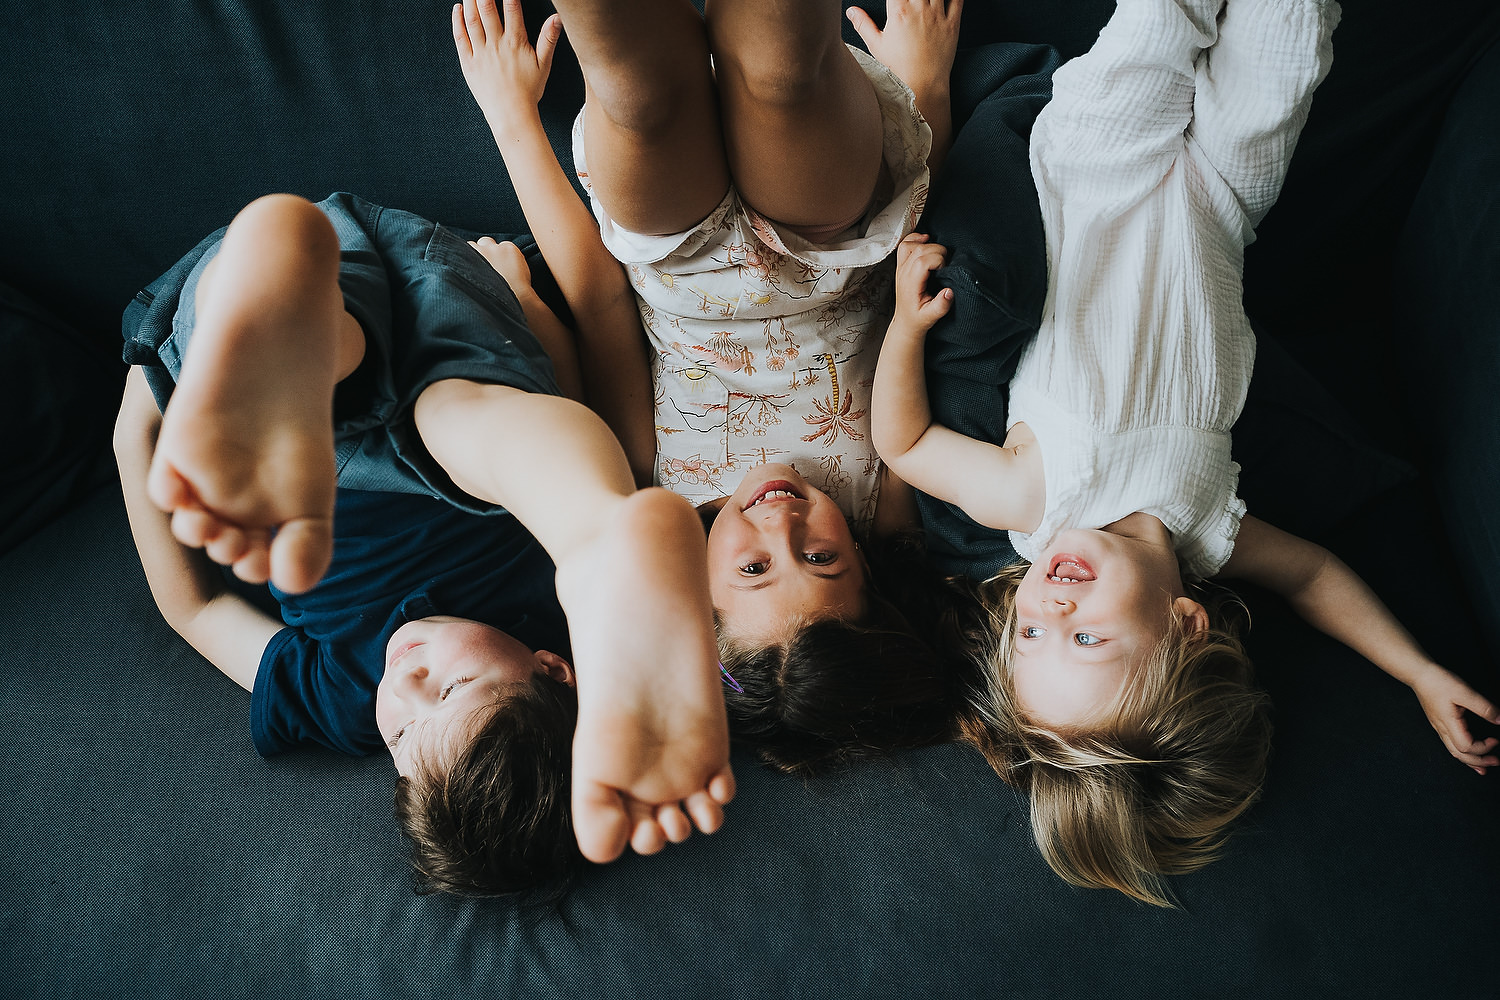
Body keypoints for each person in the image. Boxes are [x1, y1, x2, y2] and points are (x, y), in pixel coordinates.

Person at [870, 0, 1500, 904]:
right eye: (1084, 635)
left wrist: (904, 328)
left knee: (1164, 21)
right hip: (1220, 203)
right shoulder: (1210, 533)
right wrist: (1419, 670)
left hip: (1092, 175)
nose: (1050, 602)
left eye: (1032, 633)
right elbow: (1317, 577)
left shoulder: (1032, 500)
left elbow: (908, 440)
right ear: (1185, 624)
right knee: (1290, 45)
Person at [116, 191, 735, 896]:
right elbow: (568, 398)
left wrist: (134, 428)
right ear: (556, 667)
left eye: (402, 735)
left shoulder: (340, 699)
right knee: (466, 436)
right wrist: (528, 304)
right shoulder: (545, 607)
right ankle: (595, 538)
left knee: (342, 378)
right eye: (453, 686)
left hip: (255, 360)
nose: (406, 682)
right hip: (451, 349)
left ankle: (279, 317)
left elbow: (193, 613)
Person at [451, 0, 980, 773]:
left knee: (640, 98)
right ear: (869, 570)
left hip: (677, 256)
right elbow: (920, 249)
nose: (782, 524)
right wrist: (924, 83)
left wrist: (510, 119)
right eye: (824, 559)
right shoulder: (889, 500)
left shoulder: (651, 490)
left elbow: (601, 308)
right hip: (826, 245)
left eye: (757, 568)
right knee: (783, 78)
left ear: (699, 594)